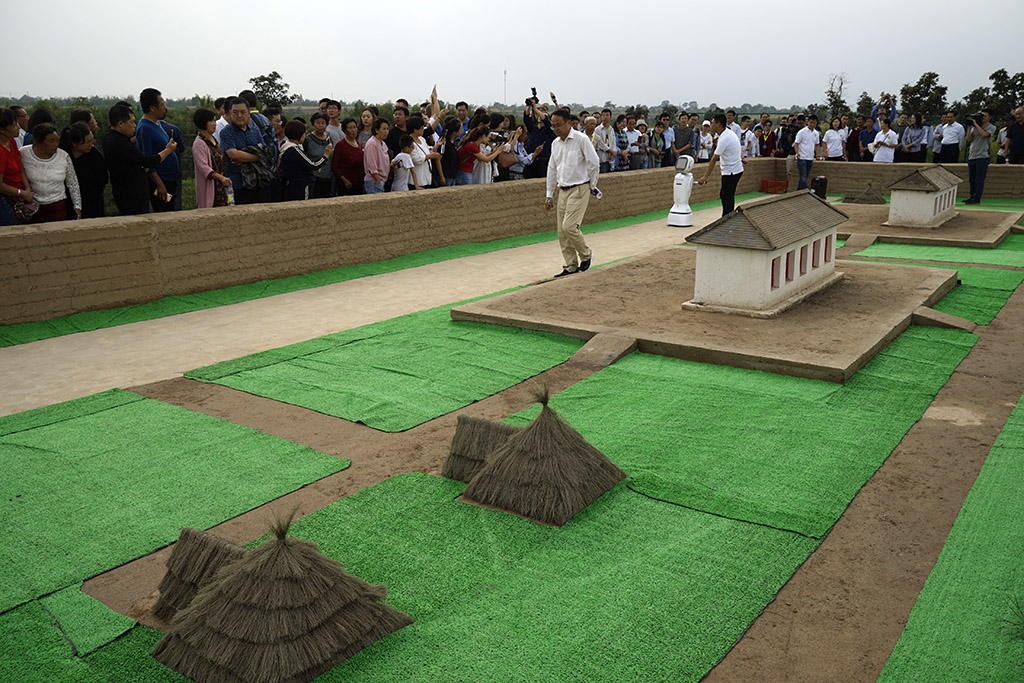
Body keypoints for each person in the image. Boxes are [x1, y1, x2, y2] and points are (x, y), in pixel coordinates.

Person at [544, 109, 598, 278]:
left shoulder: (581, 140)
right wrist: (549, 194)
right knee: (562, 231)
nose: (556, 129)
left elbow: (594, 163)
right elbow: (552, 169)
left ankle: (586, 255)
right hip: (563, 190)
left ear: (568, 122)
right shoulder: (555, 144)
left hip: (580, 188)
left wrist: (592, 185)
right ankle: (571, 265)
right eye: (553, 126)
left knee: (569, 227)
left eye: (558, 125)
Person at [103, 103, 176, 215]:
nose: (134, 125)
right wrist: (168, 150)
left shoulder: (111, 138)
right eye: (132, 122)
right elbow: (147, 161)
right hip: (132, 195)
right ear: (121, 124)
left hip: (128, 192)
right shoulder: (119, 143)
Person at [20, 124, 81, 222]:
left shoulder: (63, 156)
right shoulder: (23, 153)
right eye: (51, 141)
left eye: (57, 140)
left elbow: (73, 183)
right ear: (39, 142)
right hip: (33, 206)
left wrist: (77, 206)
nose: (56, 144)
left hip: (57, 205)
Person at [135, 88, 180, 212]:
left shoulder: (157, 123)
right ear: (152, 108)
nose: (164, 107)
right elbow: (147, 162)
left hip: (170, 179)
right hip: (162, 181)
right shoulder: (144, 128)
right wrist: (159, 184)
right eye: (161, 104)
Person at [220, 97, 269, 205]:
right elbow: (233, 154)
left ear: (248, 114)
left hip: (258, 182)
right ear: (230, 113)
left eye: (243, 112)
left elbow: (266, 153)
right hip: (237, 184)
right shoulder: (226, 132)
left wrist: (245, 157)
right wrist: (257, 157)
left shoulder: (255, 130)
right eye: (235, 112)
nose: (239, 116)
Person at [697, 113, 743, 216]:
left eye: (712, 123)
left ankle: (727, 220)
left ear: (718, 124)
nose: (711, 126)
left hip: (731, 172)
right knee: (726, 196)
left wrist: (705, 177)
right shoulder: (727, 134)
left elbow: (713, 159)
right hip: (735, 170)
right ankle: (728, 219)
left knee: (726, 196)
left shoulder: (724, 138)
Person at [60, 122, 108, 218]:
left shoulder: (94, 155)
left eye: (92, 140)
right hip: (69, 201)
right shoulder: (63, 155)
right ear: (74, 143)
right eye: (87, 142)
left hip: (92, 200)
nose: (91, 144)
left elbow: (103, 178)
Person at [279, 120, 333, 201]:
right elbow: (313, 165)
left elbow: (304, 163)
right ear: (299, 135)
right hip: (301, 187)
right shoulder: (294, 150)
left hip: (292, 186)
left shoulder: (287, 147)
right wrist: (326, 155)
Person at [191, 108, 231, 209]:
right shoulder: (199, 143)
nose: (214, 124)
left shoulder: (214, 141)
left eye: (214, 120)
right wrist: (220, 178)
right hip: (211, 187)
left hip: (220, 187)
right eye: (211, 121)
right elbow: (204, 168)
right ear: (203, 122)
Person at [0, 107, 30, 225]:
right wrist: (21, 193)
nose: (18, 127)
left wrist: (27, 189)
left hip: (18, 196)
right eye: (13, 125)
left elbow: (20, 167)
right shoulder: (1, 152)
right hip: (6, 200)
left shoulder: (11, 141)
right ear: (2, 129)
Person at [964, 110, 996, 204]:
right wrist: (969, 126)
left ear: (989, 117)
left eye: (984, 116)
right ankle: (972, 196)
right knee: (972, 178)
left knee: (979, 178)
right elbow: (969, 139)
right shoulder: (974, 127)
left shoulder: (991, 127)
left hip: (982, 156)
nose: (982, 117)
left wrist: (976, 125)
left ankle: (977, 198)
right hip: (972, 156)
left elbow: (984, 135)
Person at [331, 117, 365, 195]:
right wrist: (344, 180)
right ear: (345, 130)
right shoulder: (341, 145)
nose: (353, 130)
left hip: (359, 182)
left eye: (355, 127)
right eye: (350, 128)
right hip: (347, 184)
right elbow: (335, 166)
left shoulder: (356, 142)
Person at [303, 113, 334, 198]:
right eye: (318, 123)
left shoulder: (329, 139)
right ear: (313, 124)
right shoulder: (308, 139)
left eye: (323, 123)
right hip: (313, 177)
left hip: (328, 176)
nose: (320, 125)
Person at [363, 118, 391, 194]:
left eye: (387, 129)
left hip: (382, 180)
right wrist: (377, 179)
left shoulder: (383, 143)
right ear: (376, 130)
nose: (386, 132)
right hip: (374, 181)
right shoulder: (372, 143)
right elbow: (371, 165)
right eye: (384, 129)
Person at [794, 115, 821, 189]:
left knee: (805, 176)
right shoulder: (802, 132)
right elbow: (796, 143)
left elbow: (817, 144)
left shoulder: (816, 133)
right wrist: (797, 152)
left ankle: (799, 190)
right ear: (807, 122)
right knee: (803, 176)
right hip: (802, 157)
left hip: (810, 157)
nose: (812, 124)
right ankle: (805, 190)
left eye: (814, 123)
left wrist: (817, 154)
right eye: (811, 123)